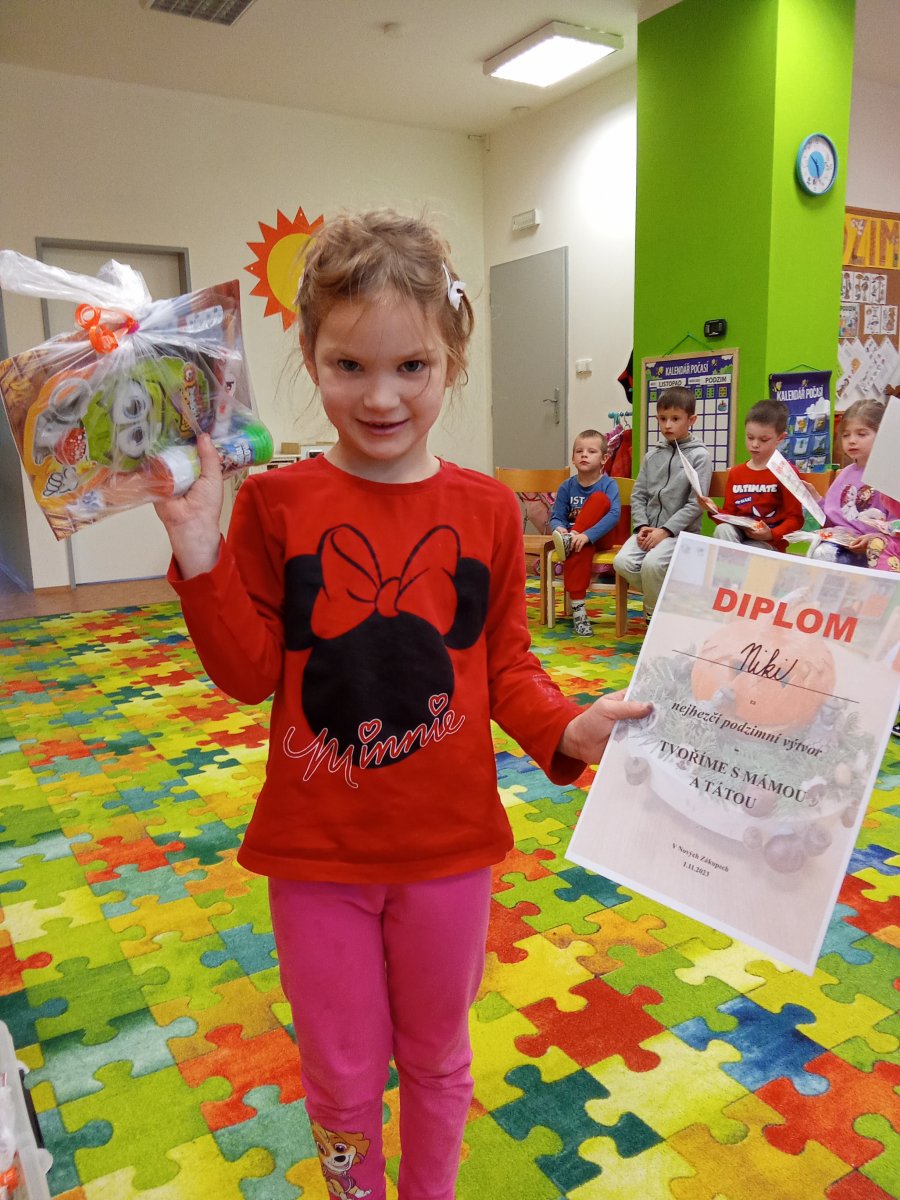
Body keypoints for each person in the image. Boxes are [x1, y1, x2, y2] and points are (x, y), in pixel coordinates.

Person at [153, 210, 652, 1200]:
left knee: (436, 1057)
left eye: (411, 367)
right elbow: (250, 673)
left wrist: (567, 725)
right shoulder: (277, 503)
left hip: (448, 852)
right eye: (349, 367)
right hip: (316, 855)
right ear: (310, 357)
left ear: (451, 362)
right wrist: (199, 548)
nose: (380, 397)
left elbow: (504, 664)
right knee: (340, 1075)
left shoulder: (487, 509)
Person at [613, 386, 712, 621]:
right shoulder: (652, 456)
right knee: (622, 562)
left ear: (691, 420)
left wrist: (665, 531)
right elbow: (638, 495)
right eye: (662, 418)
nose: (668, 425)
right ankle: (669, 603)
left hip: (680, 534)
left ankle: (653, 615)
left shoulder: (700, 457)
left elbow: (696, 504)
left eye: (675, 419)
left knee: (652, 565)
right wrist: (641, 526)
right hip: (648, 530)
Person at [700, 399, 804, 551]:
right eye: (750, 437)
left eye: (763, 439)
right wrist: (714, 510)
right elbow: (729, 516)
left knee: (749, 548)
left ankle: (731, 564)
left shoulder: (786, 472)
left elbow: (795, 519)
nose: (755, 444)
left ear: (780, 438)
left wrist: (771, 534)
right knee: (722, 530)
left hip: (769, 544)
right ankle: (732, 564)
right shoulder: (736, 473)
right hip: (739, 538)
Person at [810, 398, 899, 571]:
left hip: (878, 551)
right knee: (821, 551)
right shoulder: (845, 473)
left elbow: (895, 525)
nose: (852, 441)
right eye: (846, 435)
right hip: (841, 542)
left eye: (861, 434)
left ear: (882, 435)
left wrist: (873, 539)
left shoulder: (889, 475)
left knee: (826, 554)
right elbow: (831, 517)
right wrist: (815, 499)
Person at [549, 429, 621, 636]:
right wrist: (559, 527)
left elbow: (614, 515)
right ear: (573, 458)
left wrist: (584, 534)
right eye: (579, 451)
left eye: (591, 451)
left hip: (601, 537)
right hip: (578, 542)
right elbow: (556, 516)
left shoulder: (608, 484)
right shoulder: (567, 486)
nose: (584, 455)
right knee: (578, 548)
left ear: (604, 459)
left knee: (599, 499)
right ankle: (579, 611)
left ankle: (570, 539)